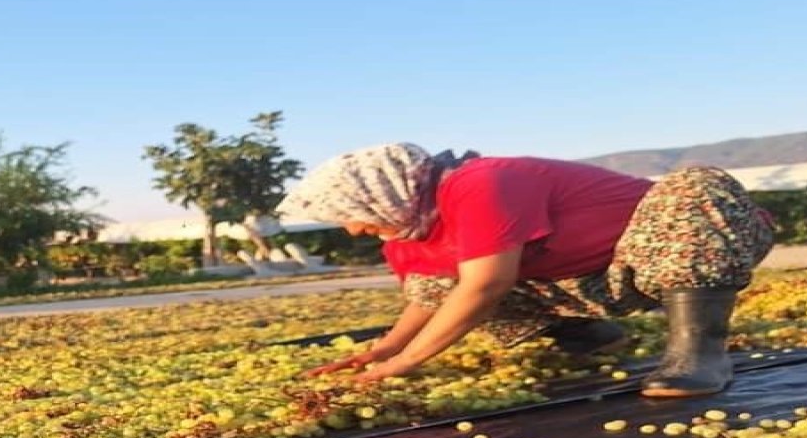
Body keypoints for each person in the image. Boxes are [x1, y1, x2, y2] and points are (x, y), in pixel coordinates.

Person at [278, 144, 774, 397]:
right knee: (448, 285)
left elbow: (486, 285)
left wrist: (409, 362)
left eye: (349, 211)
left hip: (693, 244)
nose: (350, 228)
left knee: (692, 187)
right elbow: (426, 296)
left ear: (377, 192)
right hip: (604, 279)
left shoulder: (482, 183)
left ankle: (700, 356)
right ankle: (593, 336)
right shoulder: (411, 229)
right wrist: (385, 348)